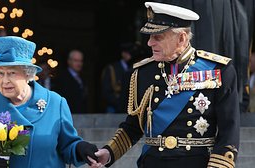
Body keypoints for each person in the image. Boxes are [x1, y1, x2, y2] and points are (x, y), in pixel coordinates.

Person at [92, 2, 240, 168]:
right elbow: (133, 127)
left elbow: (229, 133)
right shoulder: (143, 73)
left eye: (158, 37)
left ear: (181, 38)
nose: (149, 43)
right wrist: (108, 153)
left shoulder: (219, 70)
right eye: (149, 37)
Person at [0, 36, 100, 168]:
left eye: (11, 73)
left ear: (28, 74)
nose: (5, 81)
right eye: (0, 73)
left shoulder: (56, 103)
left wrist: (79, 148)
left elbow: (68, 147)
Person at [101, 42, 133, 113]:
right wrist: (119, 103)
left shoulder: (134, 68)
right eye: (128, 52)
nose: (130, 55)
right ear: (123, 53)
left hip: (130, 107)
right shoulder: (112, 69)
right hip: (115, 106)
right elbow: (106, 91)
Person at [53, 49, 88, 114]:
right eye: (76, 60)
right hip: (67, 114)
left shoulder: (83, 77)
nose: (79, 63)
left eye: (81, 61)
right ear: (69, 61)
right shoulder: (61, 78)